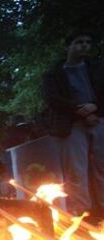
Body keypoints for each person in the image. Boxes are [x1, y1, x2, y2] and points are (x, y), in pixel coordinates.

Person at [42, 31, 103, 216]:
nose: (84, 45)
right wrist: (79, 110)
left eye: (87, 42)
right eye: (79, 42)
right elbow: (52, 98)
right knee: (76, 171)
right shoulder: (54, 74)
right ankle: (82, 215)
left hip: (99, 119)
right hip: (72, 125)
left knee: (102, 166)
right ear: (68, 46)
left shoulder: (97, 68)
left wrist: (95, 108)